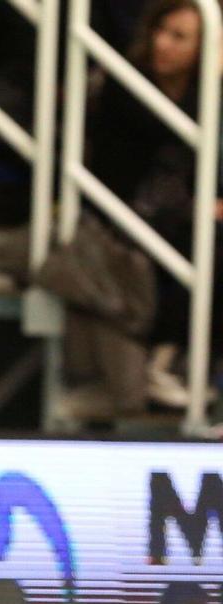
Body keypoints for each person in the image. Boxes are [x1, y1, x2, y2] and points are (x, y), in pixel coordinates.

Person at [84, 0, 223, 409]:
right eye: (160, 31)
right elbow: (129, 172)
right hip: (128, 210)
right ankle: (169, 356)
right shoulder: (127, 84)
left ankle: (180, 358)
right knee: (212, 242)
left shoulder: (208, 90)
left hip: (183, 212)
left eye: (179, 37)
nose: (162, 44)